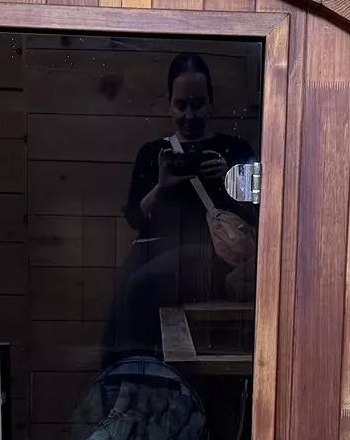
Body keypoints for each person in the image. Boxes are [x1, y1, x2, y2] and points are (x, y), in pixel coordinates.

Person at [106, 53, 259, 357]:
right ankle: (127, 379)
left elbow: (261, 217)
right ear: (169, 105)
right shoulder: (154, 153)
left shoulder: (236, 151)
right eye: (181, 105)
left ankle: (136, 379)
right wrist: (161, 186)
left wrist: (229, 179)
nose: (190, 115)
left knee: (137, 287)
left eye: (198, 104)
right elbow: (136, 217)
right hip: (154, 256)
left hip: (212, 262)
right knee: (124, 292)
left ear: (211, 103)